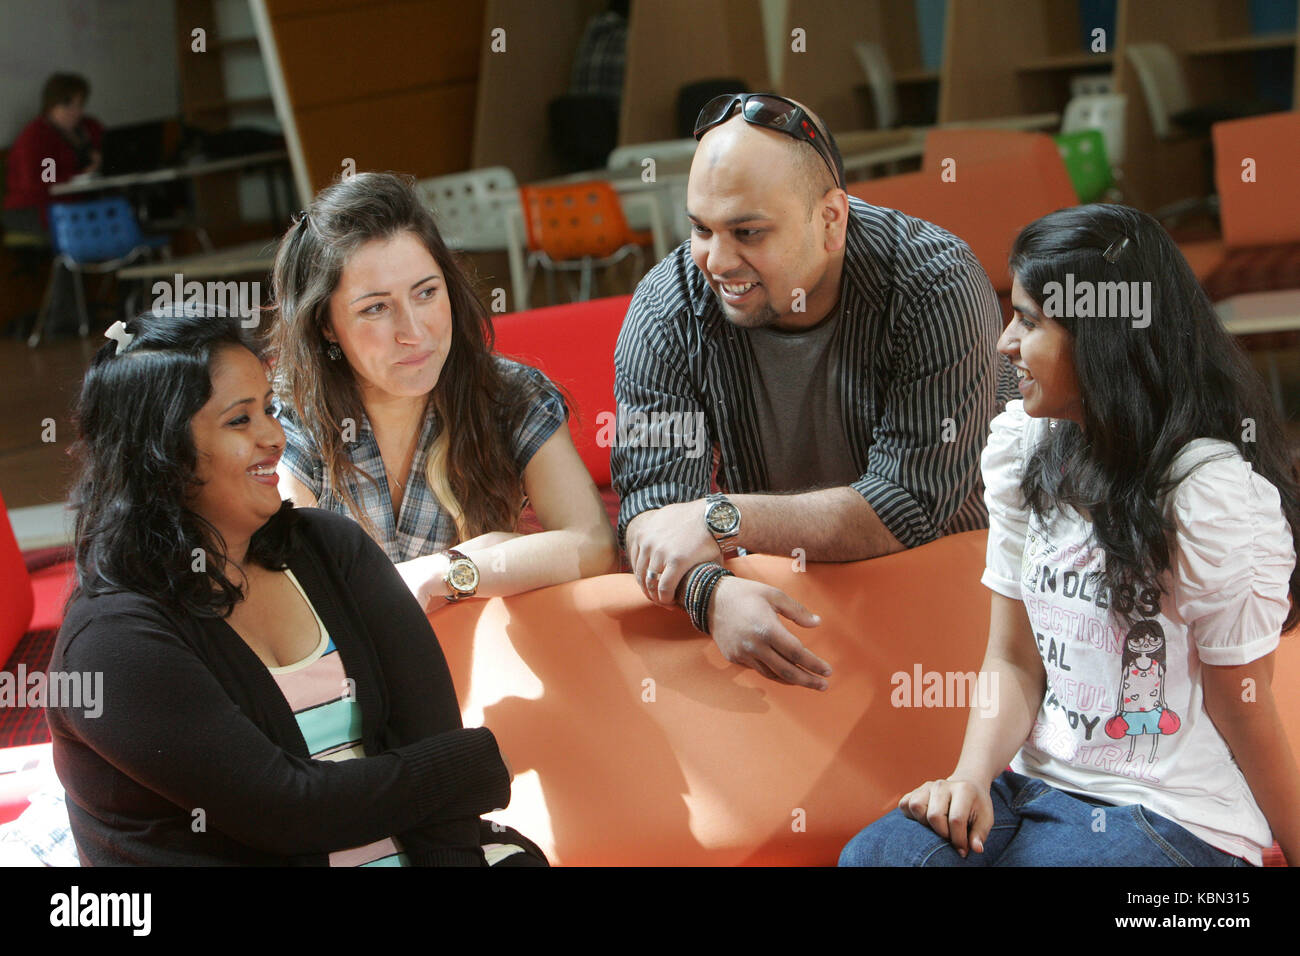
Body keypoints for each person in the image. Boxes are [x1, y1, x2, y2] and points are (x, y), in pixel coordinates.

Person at [840, 204, 1300, 867]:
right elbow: (1013, 659)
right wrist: (969, 779)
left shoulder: (1207, 495)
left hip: (1169, 812)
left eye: (1028, 320)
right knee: (876, 859)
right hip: (1032, 787)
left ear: (1101, 337)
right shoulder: (1028, 448)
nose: (1004, 342)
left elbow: (1247, 712)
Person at [47, 307, 544, 866]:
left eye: (270, 410)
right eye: (240, 421)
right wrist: (471, 764)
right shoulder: (110, 645)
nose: (274, 438)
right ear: (160, 452)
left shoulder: (330, 549)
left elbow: (429, 741)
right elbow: (290, 812)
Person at [613, 92, 1018, 690]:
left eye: (748, 231)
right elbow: (653, 507)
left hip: (966, 601)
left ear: (831, 220)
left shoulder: (934, 284)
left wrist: (723, 517)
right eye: (701, 228)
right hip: (802, 605)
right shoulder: (666, 309)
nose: (717, 260)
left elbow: (906, 509)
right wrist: (710, 593)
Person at [270, 172, 618, 610]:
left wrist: (448, 571)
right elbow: (291, 580)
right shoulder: (293, 413)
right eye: (376, 308)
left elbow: (593, 543)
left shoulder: (509, 396)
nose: (413, 332)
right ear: (325, 325)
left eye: (426, 293)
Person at [2, 73, 103, 237]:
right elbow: (46, 180)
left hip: (75, 204)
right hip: (34, 209)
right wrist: (81, 176)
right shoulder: (38, 136)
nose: (74, 112)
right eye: (67, 105)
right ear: (51, 105)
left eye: (79, 105)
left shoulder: (89, 127)